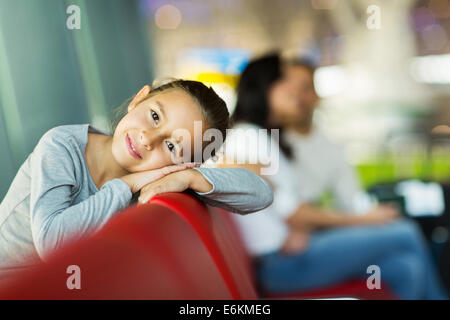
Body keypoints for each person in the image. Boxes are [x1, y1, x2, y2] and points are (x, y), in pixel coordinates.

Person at [217, 54, 448, 299]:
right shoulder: (249, 138)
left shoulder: (263, 138)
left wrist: (289, 228)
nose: (296, 89)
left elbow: (280, 211)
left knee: (406, 269)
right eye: (285, 80)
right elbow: (293, 214)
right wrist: (365, 220)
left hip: (290, 254)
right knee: (405, 232)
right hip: (284, 265)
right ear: (264, 88)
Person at [0, 79, 273, 285]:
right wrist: (128, 184)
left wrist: (191, 176)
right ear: (139, 99)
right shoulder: (62, 145)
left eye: (171, 145)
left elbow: (260, 194)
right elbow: (53, 242)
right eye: (154, 116)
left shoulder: (165, 177)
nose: (147, 139)